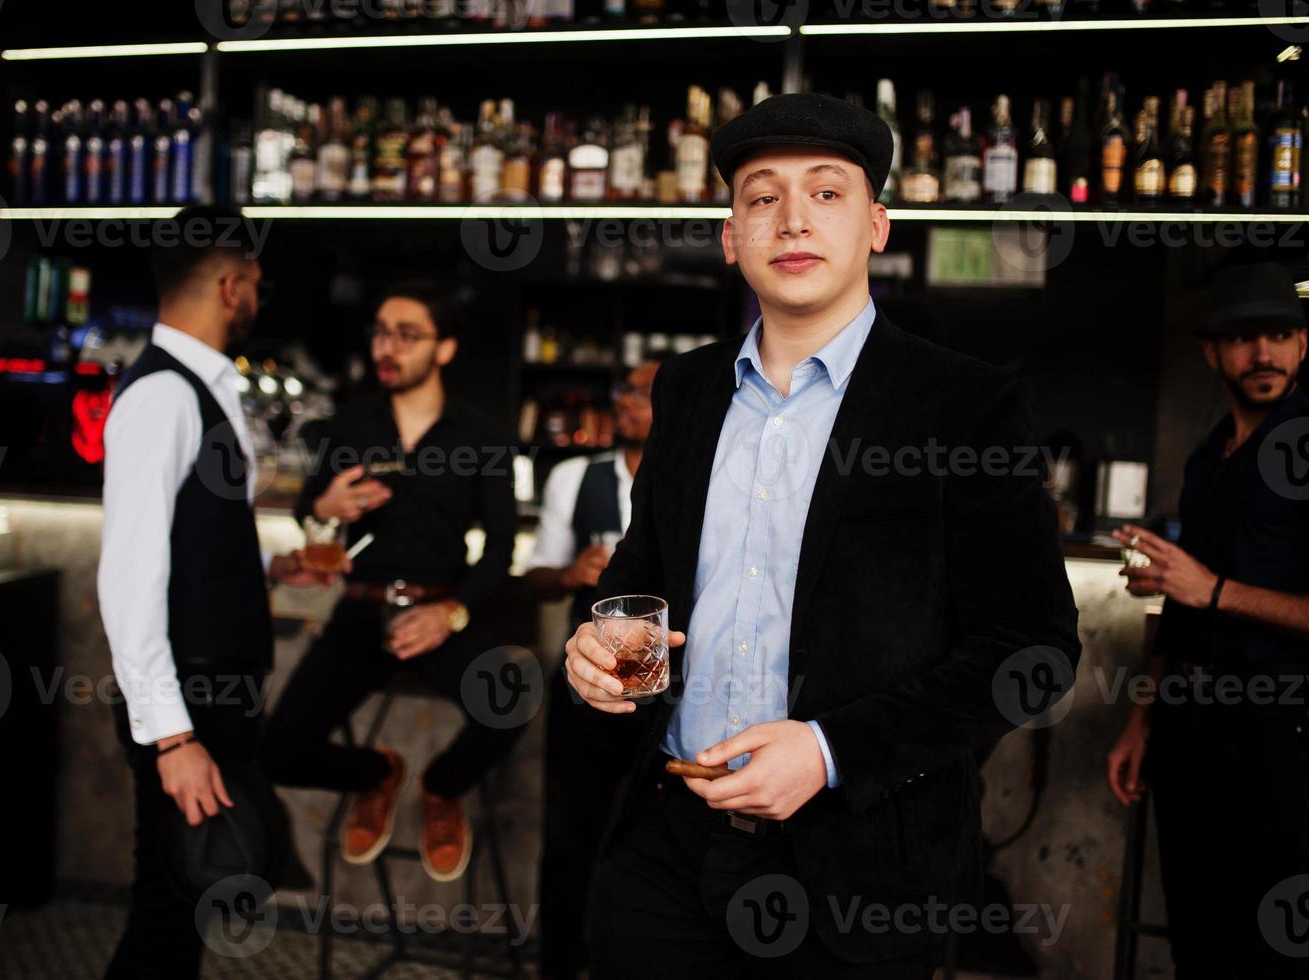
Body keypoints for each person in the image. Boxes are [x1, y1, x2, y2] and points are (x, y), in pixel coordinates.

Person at [561, 93, 1081, 977]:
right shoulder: (685, 391)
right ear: (731, 236)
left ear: (876, 225)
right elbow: (642, 570)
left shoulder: (965, 405)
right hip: (665, 845)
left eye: (827, 193)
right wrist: (596, 638)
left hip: (861, 872)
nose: (792, 218)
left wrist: (831, 750)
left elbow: (1033, 650)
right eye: (761, 196)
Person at [98, 204, 337, 979]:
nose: (259, 299)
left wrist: (267, 573)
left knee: (186, 910)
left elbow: (185, 552)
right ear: (231, 286)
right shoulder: (161, 396)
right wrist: (173, 739)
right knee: (168, 915)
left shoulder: (204, 389)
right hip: (187, 704)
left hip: (214, 693)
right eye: (257, 285)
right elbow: (128, 578)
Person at [261, 280, 521, 883]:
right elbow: (310, 516)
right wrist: (326, 506)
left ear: (445, 349)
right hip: (359, 611)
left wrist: (451, 611)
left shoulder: (481, 435)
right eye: (381, 331)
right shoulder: (348, 426)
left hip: (440, 611)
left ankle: (439, 789)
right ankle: (377, 774)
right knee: (277, 750)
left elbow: (501, 548)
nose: (388, 346)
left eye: (408, 335)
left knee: (510, 702)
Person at [1106, 261, 1309, 979]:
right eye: (1244, 339)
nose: (1264, 355)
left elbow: (1202, 591)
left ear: (1303, 345)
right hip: (1191, 732)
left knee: (1268, 946)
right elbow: (1182, 604)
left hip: (1281, 738)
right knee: (1197, 929)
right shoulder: (1206, 458)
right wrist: (1142, 719)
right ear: (1211, 352)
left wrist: (1213, 588)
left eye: (1280, 335)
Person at [526, 360, 660, 980]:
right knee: (569, 836)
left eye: (643, 391)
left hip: (670, 692)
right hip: (586, 685)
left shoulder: (700, 478)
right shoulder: (576, 477)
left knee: (657, 842)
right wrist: (571, 572)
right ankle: (558, 963)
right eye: (625, 389)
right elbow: (536, 578)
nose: (626, 400)